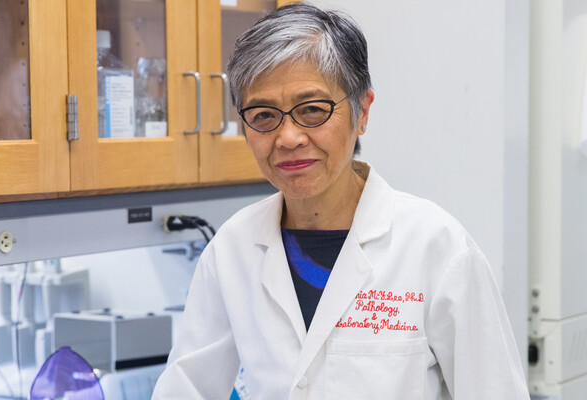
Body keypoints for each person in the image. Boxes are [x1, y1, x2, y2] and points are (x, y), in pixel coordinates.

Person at [152, 3, 530, 399]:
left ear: (362, 112)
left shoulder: (436, 246)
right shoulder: (231, 251)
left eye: (312, 110)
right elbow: (186, 389)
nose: (288, 138)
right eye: (264, 115)